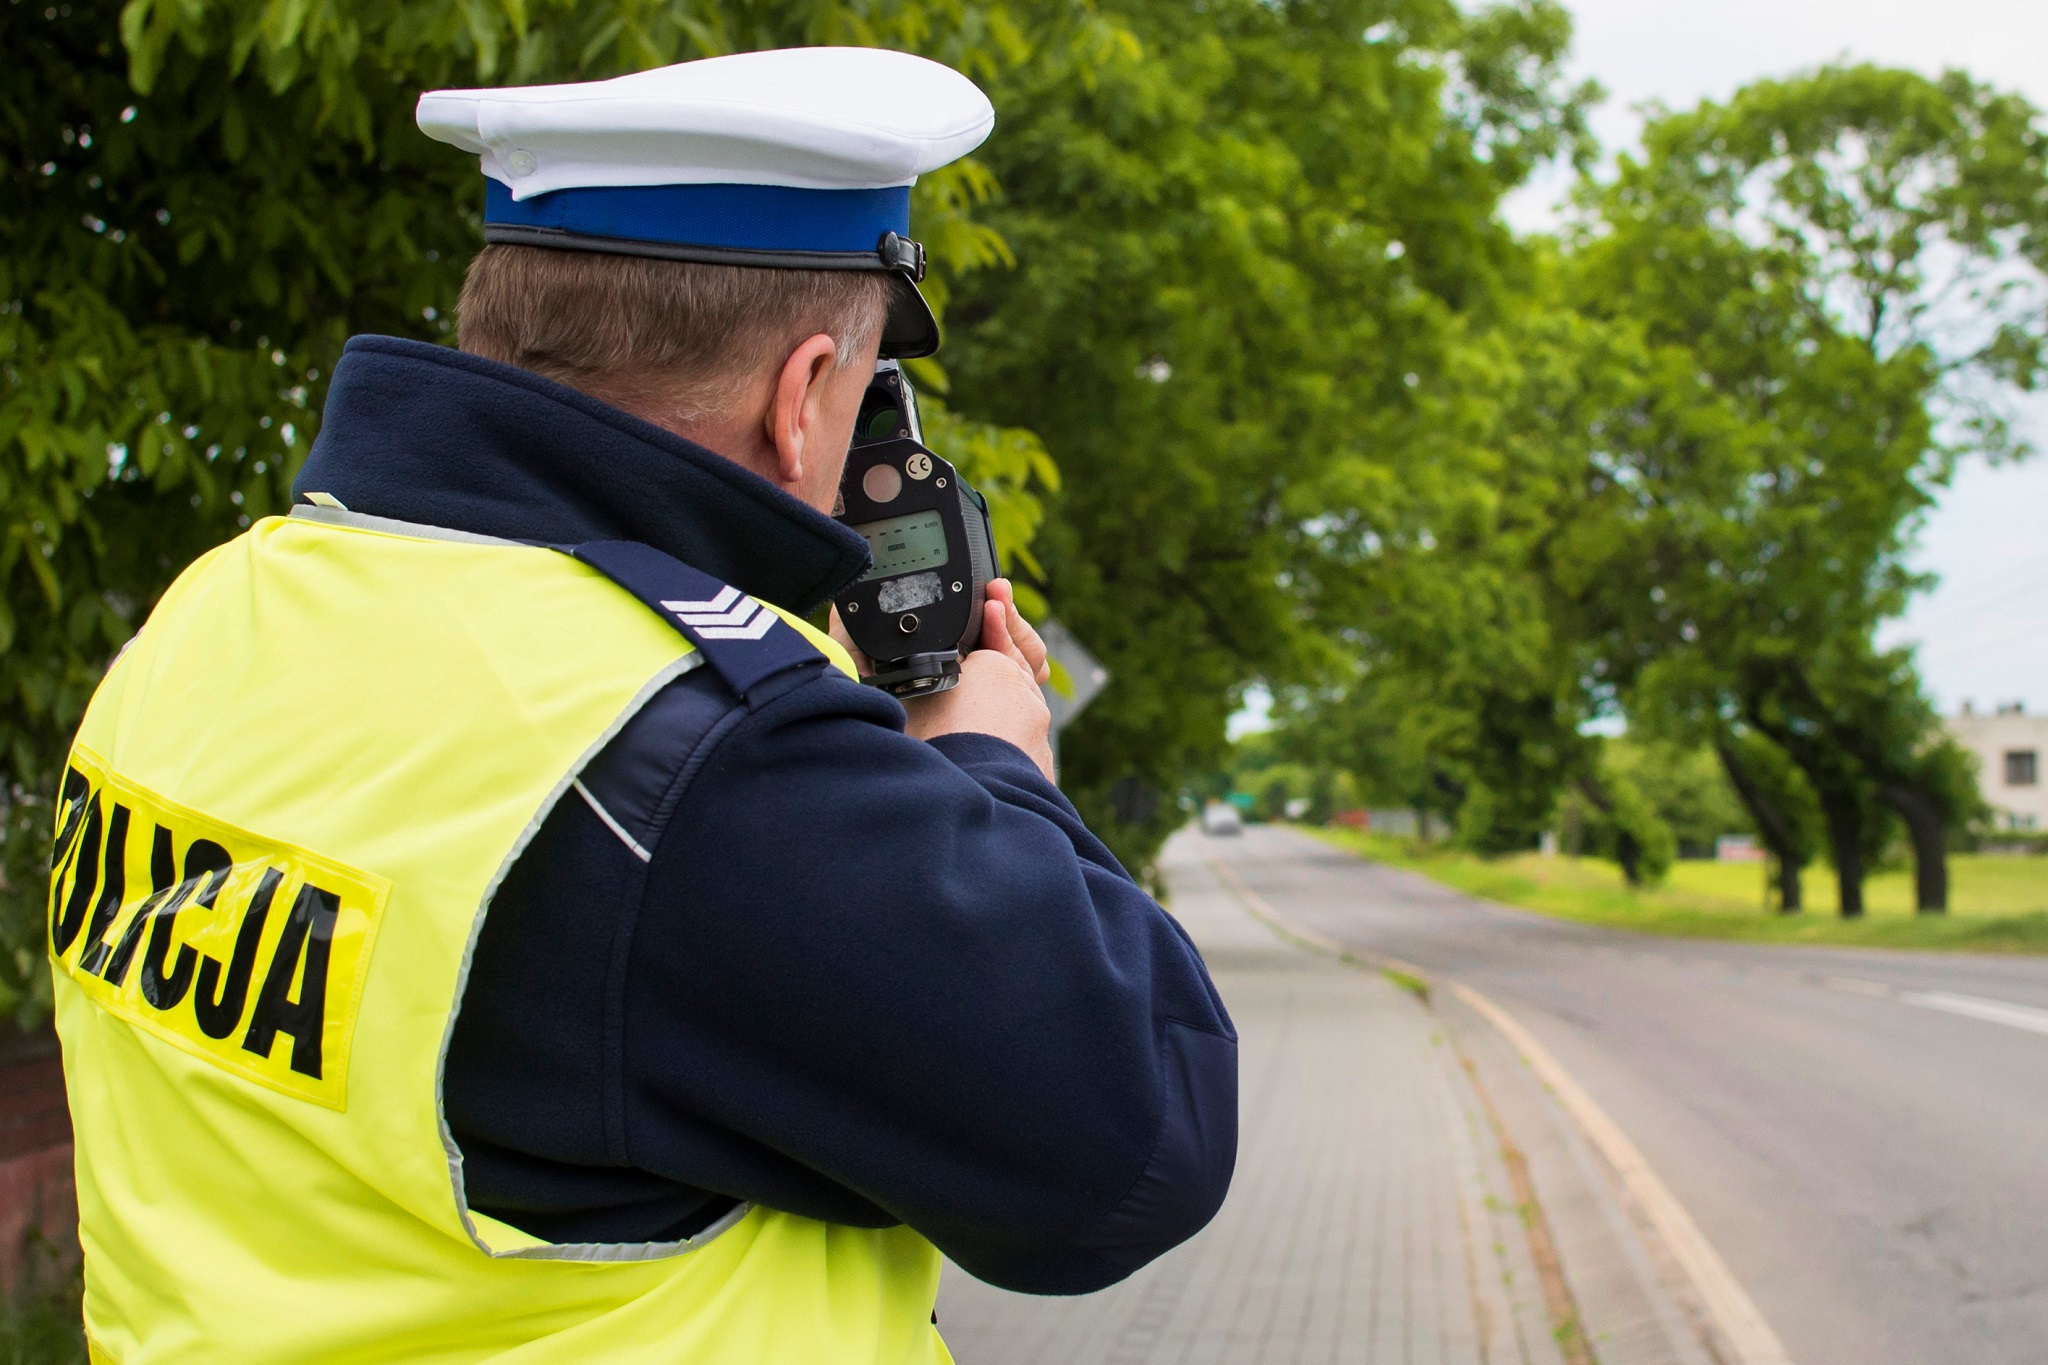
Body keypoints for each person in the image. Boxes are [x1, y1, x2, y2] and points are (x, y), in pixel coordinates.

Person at [46, 47, 1236, 1364]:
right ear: (799, 405)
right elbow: (1136, 1145)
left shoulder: (214, 612)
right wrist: (991, 766)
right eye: (855, 404)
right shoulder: (700, 758)